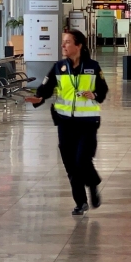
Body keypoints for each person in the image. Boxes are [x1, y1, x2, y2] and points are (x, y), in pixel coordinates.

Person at [25, 29, 109, 216]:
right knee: (71, 165)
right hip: (65, 123)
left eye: (67, 42)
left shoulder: (93, 66)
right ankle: (81, 203)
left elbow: (103, 91)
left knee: (82, 160)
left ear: (78, 45)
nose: (63, 46)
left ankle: (93, 183)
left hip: (88, 122)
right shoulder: (59, 67)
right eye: (63, 42)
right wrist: (39, 98)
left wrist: (94, 94)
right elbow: (46, 88)